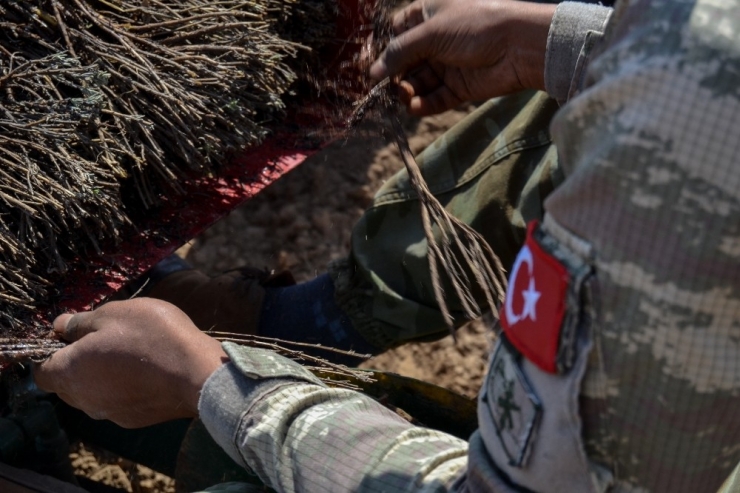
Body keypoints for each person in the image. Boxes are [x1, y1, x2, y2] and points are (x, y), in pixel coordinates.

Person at [33, 0, 740, 491]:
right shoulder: (691, 60)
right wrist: (566, 43)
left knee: (237, 477)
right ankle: (309, 324)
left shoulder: (682, 135)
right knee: (591, 83)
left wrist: (215, 386)